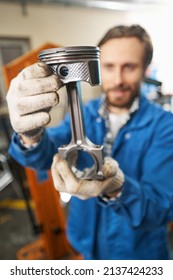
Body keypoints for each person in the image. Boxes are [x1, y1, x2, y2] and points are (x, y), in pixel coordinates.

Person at [6, 24, 173, 260]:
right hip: (85, 248)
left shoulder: (166, 126)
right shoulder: (85, 112)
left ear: (145, 69)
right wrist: (29, 133)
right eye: (109, 66)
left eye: (129, 67)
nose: (118, 79)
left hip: (138, 256)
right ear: (97, 67)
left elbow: (162, 207)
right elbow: (43, 156)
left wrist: (117, 188)